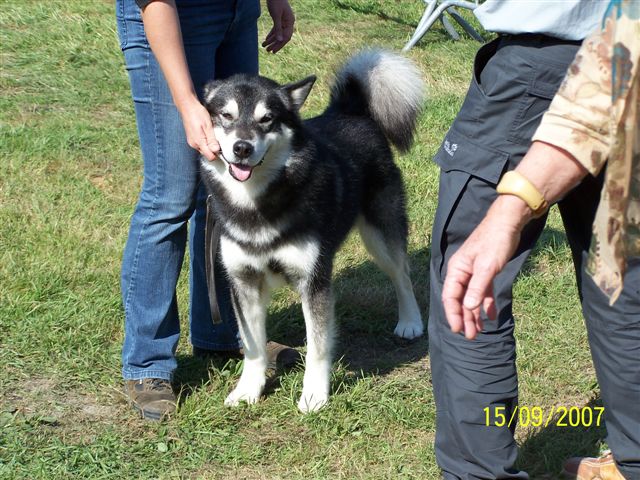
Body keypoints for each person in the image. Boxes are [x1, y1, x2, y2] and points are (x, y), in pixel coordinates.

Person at [442, 2, 639, 478]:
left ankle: (479, 471)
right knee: (620, 279)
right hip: (625, 54)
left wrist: (508, 211)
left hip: (536, 68)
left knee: (470, 287)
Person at [115, 0, 296, 420]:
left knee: (223, 189)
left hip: (237, 11)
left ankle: (222, 332)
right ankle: (147, 363)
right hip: (170, 14)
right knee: (170, 195)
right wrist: (186, 102)